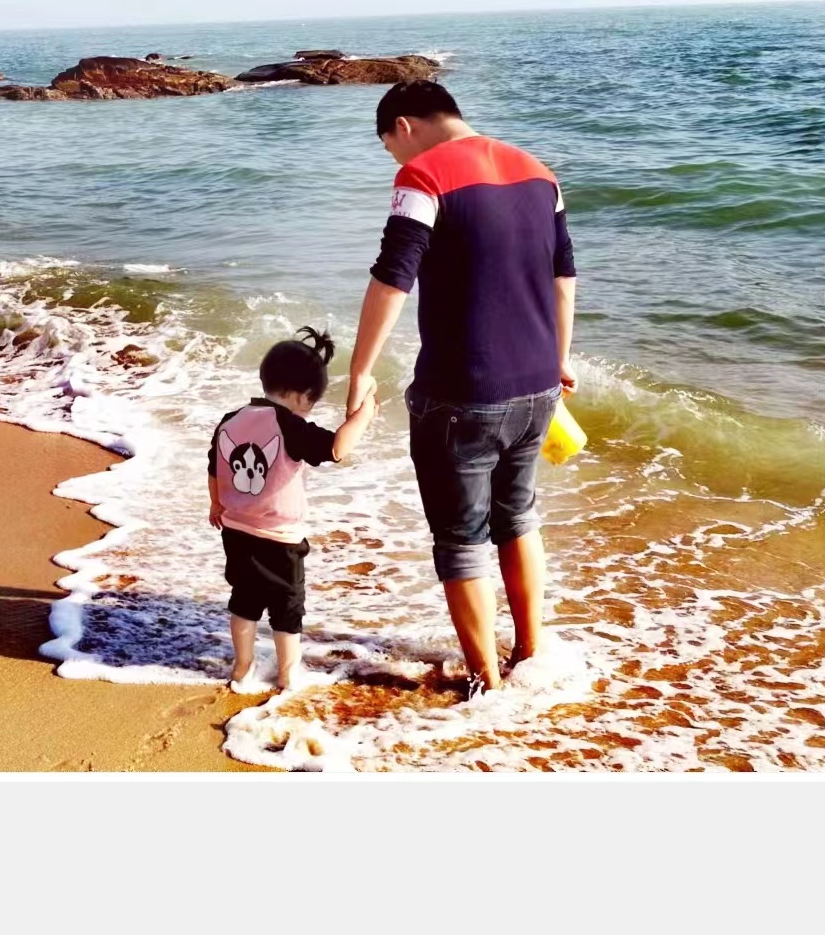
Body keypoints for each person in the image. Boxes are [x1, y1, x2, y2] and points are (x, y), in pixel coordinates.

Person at [346, 81, 577, 695]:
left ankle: (487, 685)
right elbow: (564, 277)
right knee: (518, 519)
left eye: (389, 146)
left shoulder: (422, 176)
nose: (395, 158)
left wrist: (361, 372)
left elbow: (393, 278)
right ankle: (529, 654)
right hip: (539, 388)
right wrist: (559, 359)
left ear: (403, 125)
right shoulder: (540, 173)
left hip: (461, 394)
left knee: (461, 539)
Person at [208, 326, 376, 694]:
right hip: (281, 538)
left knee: (244, 601)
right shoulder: (289, 426)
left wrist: (216, 503)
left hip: (235, 532)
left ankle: (242, 667)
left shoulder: (231, 419)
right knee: (287, 610)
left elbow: (214, 467)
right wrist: (363, 416)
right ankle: (286, 675)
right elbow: (337, 449)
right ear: (301, 396)